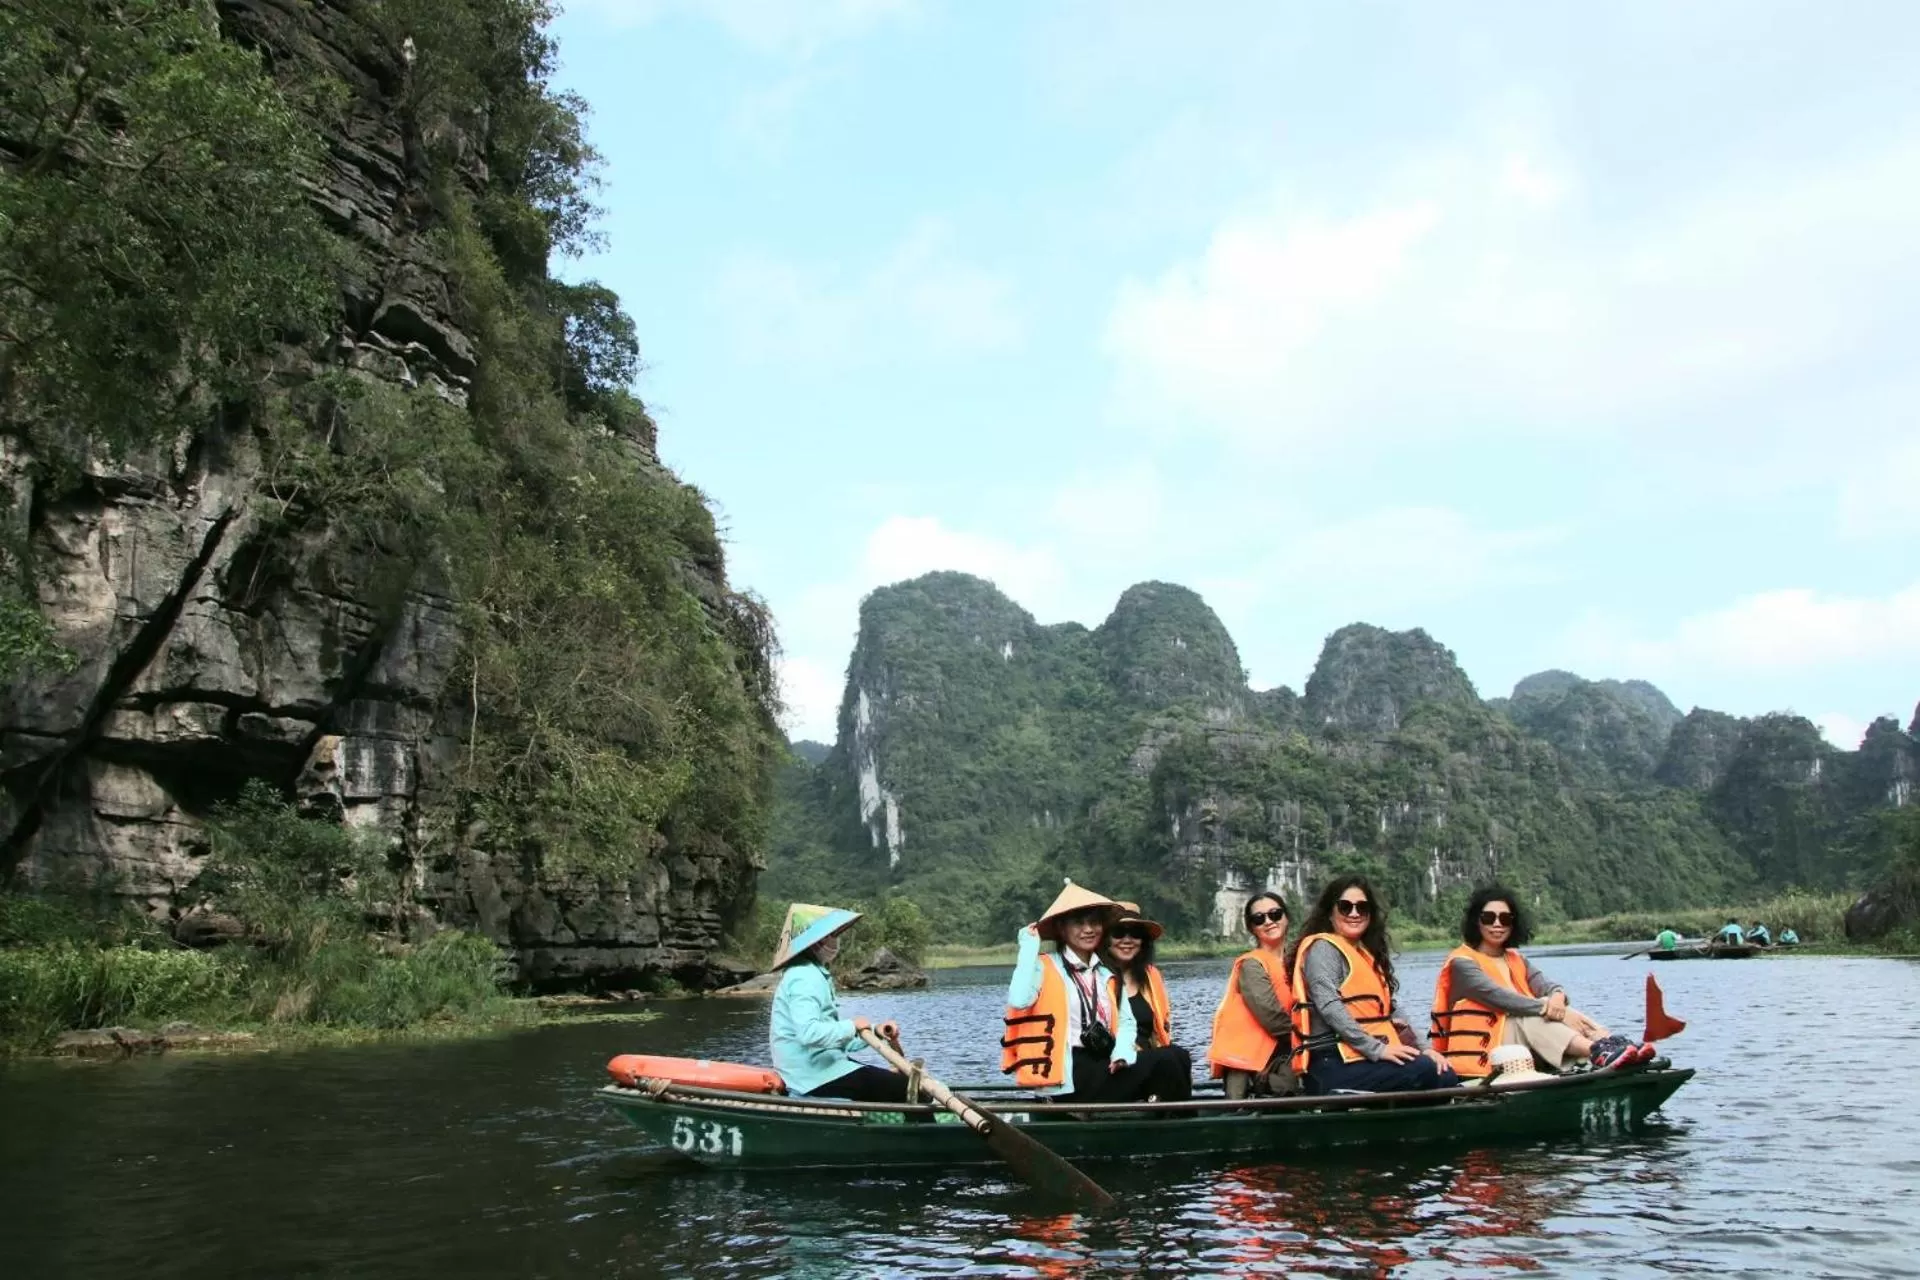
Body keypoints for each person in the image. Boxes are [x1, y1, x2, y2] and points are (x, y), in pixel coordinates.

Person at [1430, 885, 1654, 1078]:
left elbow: (1550, 987)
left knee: (1560, 1009)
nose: (1497, 924)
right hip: (1484, 1051)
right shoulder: (1461, 963)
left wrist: (1558, 999)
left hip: (1521, 1042)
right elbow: (1499, 998)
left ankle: (1614, 1044)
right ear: (1476, 922)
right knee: (1529, 1016)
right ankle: (1597, 1050)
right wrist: (1552, 1008)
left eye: (1505, 918)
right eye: (1489, 918)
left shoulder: (1517, 960)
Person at [1003, 879, 1189, 1104]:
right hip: (1068, 1073)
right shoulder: (1043, 966)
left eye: (1094, 922)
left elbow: (1127, 1022)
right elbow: (1019, 998)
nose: (1088, 929)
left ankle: (1169, 1123)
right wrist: (1029, 948)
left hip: (1102, 1064)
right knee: (1169, 1059)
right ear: (1062, 929)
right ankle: (1181, 1127)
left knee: (1177, 1056)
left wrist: (1122, 1053)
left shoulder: (1105, 973)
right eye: (1079, 923)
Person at [1287, 876, 1459, 1094]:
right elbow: (1329, 1006)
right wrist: (1377, 1049)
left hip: (1361, 1058)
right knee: (1425, 1071)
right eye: (1345, 907)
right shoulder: (1323, 950)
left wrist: (1425, 1049)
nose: (1354, 913)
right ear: (1330, 914)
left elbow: (1392, 1009)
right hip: (1331, 1063)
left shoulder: (1364, 955)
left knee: (1443, 1071)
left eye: (1362, 907)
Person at [769, 902, 910, 1102]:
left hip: (825, 1068)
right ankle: (922, 1132)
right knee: (912, 1089)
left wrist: (876, 1031)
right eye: (832, 936)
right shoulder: (804, 977)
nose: (835, 942)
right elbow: (809, 1033)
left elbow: (834, 1037)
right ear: (816, 942)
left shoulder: (812, 974)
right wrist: (852, 1026)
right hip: (811, 1077)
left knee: (899, 1083)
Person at [1208, 890, 1298, 1100]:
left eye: (1275, 914)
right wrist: (1307, 1039)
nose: (1269, 921)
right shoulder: (1252, 964)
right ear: (1252, 927)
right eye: (1259, 918)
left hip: (1282, 1051)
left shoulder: (1296, 963)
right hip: (1249, 1064)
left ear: (1286, 918)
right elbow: (1271, 1016)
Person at [1102, 902, 1194, 1098]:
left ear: (1143, 941)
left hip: (1149, 1059)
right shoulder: (1095, 976)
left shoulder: (1151, 976)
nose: (1127, 940)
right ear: (1106, 938)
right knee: (1172, 1057)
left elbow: (1161, 1030)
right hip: (1111, 1063)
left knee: (1178, 1056)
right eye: (1118, 932)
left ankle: (1177, 1116)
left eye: (1135, 933)